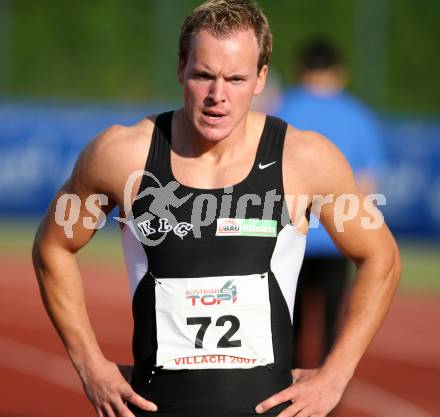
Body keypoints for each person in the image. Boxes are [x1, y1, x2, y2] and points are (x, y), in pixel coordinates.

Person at [32, 1, 400, 417]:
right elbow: (52, 247)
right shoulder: (120, 157)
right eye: (203, 75)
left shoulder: (306, 160)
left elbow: (380, 257)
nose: (217, 96)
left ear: (262, 78)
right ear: (180, 68)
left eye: (236, 79)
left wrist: (336, 374)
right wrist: (90, 365)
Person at [276, 39, 385, 370]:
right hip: (338, 238)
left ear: (300, 70)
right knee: (330, 327)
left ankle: (280, 396)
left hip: (288, 236)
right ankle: (324, 399)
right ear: (339, 73)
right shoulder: (359, 115)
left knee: (285, 327)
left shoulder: (281, 109)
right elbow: (367, 183)